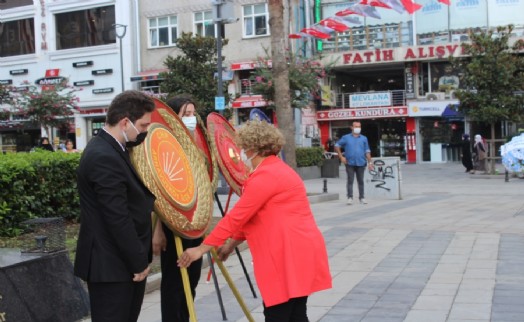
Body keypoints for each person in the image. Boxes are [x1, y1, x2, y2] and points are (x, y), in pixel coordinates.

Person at [177, 120, 332, 322]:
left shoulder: (266, 175)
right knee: (295, 314)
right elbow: (253, 217)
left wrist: (200, 249)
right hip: (297, 250)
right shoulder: (275, 170)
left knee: (279, 313)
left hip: (287, 252)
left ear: (253, 149)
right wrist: (231, 244)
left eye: (242, 148)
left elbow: (237, 217)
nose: (241, 154)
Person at [74, 90, 156, 322]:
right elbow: (117, 217)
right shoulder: (103, 156)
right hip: (111, 265)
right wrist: (138, 262)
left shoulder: (114, 149)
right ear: (124, 122)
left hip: (118, 262)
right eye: (142, 125)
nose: (145, 131)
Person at [152, 95, 203, 322]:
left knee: (191, 280)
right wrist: (158, 230)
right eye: (186, 114)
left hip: (195, 223)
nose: (191, 119)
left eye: (193, 114)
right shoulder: (164, 145)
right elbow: (157, 192)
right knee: (174, 283)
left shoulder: (196, 144)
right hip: (172, 224)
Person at [334, 121, 374, 205]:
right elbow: (337, 145)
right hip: (349, 163)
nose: (358, 128)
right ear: (351, 127)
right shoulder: (346, 137)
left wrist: (370, 162)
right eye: (356, 126)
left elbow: (367, 151)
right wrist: (341, 157)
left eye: (359, 126)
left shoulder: (364, 138)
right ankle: (350, 197)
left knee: (361, 181)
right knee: (350, 180)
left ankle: (362, 197)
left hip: (361, 162)